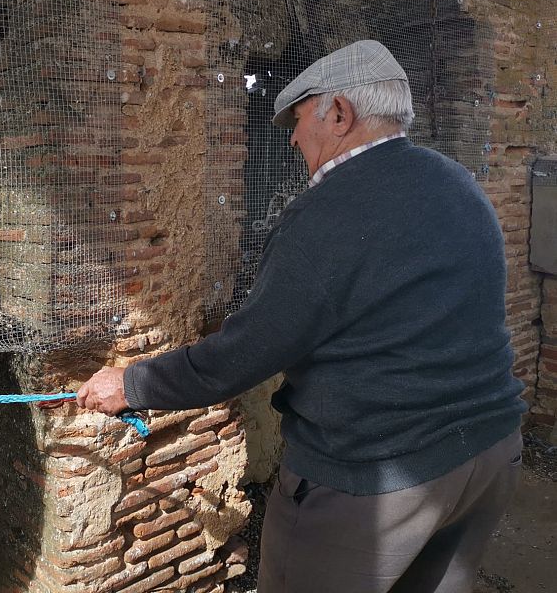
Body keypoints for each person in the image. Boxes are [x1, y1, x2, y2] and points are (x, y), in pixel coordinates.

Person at [76, 40, 527, 593]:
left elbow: (246, 354)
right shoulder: (455, 182)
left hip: (381, 476)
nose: (291, 138)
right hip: (489, 451)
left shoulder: (328, 212)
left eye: (297, 120)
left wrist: (133, 383)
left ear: (339, 113)